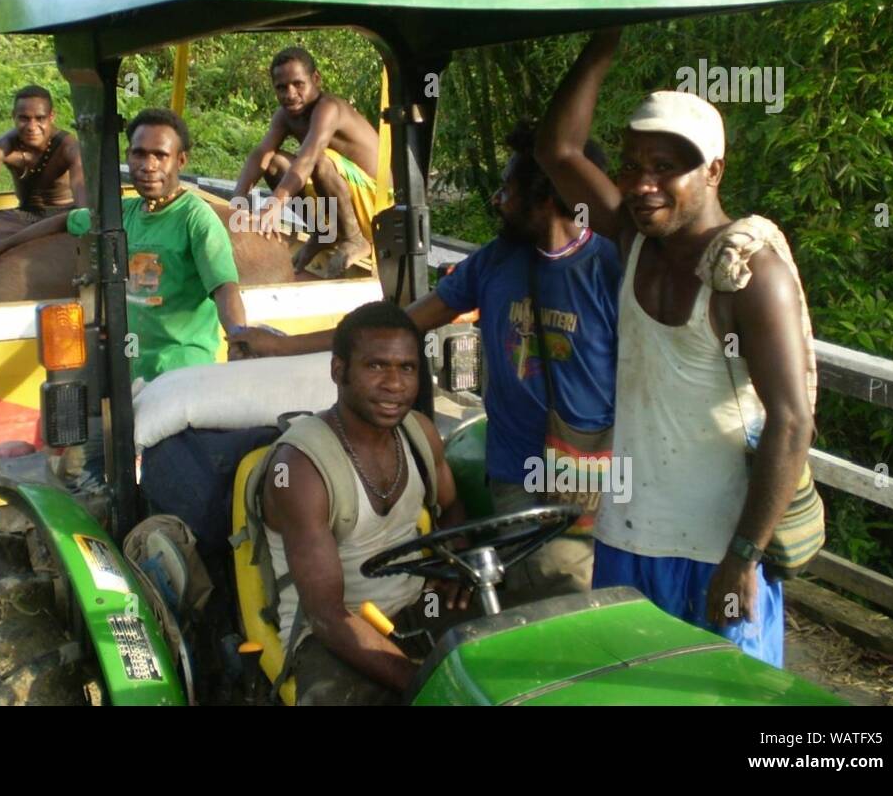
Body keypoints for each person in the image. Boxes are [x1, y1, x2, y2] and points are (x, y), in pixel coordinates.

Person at [234, 124, 621, 605]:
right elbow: (399, 327)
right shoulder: (495, 263)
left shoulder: (612, 268)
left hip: (597, 472)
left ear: (544, 198)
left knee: (593, 597)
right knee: (548, 590)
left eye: (508, 189)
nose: (498, 200)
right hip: (516, 473)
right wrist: (284, 345)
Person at [534, 27, 816, 667]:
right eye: (633, 166)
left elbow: (793, 422)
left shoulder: (751, 275)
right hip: (628, 540)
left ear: (714, 171)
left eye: (667, 168)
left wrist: (744, 558)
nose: (641, 184)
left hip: (716, 553)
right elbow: (558, 149)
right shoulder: (634, 245)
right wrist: (611, 31)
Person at [262, 301, 471, 705]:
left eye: (406, 368)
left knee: (519, 652)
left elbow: (452, 509)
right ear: (339, 371)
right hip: (332, 633)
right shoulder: (300, 468)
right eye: (376, 367)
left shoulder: (419, 433)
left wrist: (453, 561)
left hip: (418, 602)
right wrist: (425, 683)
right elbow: (326, 614)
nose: (395, 384)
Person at [231, 47, 384, 277]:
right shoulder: (284, 116)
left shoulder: (328, 109)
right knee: (275, 162)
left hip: (378, 204)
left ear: (316, 80)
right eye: (281, 88)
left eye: (298, 84)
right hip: (344, 199)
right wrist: (237, 202)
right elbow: (260, 154)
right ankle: (324, 232)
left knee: (319, 160)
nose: (290, 94)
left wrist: (274, 205)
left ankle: (354, 239)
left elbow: (308, 160)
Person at [122, 108, 248, 382]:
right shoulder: (124, 212)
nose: (148, 165)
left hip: (182, 375)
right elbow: (71, 220)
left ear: (180, 161)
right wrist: (6, 243)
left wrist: (239, 343)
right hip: (132, 372)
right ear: (127, 156)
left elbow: (225, 289)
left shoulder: (196, 218)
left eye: (160, 155)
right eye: (139, 154)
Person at [0, 85, 86, 256]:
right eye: (24, 118)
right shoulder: (1, 147)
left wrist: (84, 219)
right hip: (25, 214)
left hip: (62, 214)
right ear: (14, 117)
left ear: (51, 117)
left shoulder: (68, 147)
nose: (32, 126)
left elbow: (82, 190)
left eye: (40, 118)